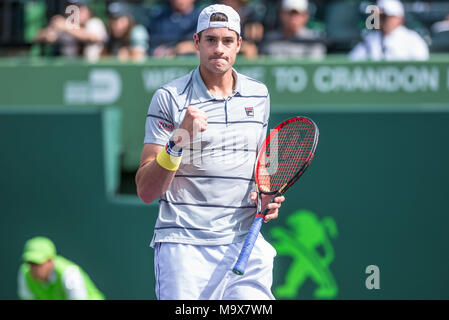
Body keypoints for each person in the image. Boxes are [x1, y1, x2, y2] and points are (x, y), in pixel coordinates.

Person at [136, 4, 285, 300]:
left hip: (245, 243)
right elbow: (146, 190)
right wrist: (179, 138)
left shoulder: (260, 94)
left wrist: (267, 193)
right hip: (185, 247)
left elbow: (262, 164)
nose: (219, 49)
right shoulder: (168, 98)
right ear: (196, 43)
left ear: (239, 44)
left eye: (227, 41)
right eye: (211, 40)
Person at [17, 236, 105, 300]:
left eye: (38, 264)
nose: (34, 269)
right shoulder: (24, 273)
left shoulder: (69, 273)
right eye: (30, 263)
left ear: (50, 261)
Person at [349, 0, 429, 61]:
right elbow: (351, 64)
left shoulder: (413, 40)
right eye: (377, 16)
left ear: (399, 18)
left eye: (385, 16)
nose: (380, 20)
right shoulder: (369, 40)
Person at [35, 0, 107, 61]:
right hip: (71, 70)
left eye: (77, 8)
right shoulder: (66, 26)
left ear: (86, 10)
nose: (73, 13)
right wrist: (51, 29)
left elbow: (92, 37)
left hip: (93, 70)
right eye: (70, 8)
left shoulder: (94, 22)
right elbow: (41, 37)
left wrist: (66, 27)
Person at [259, 0, 327, 59]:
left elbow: (314, 67)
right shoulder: (269, 40)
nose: (293, 18)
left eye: (297, 13)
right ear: (281, 14)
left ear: (305, 16)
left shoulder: (314, 41)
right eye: (289, 13)